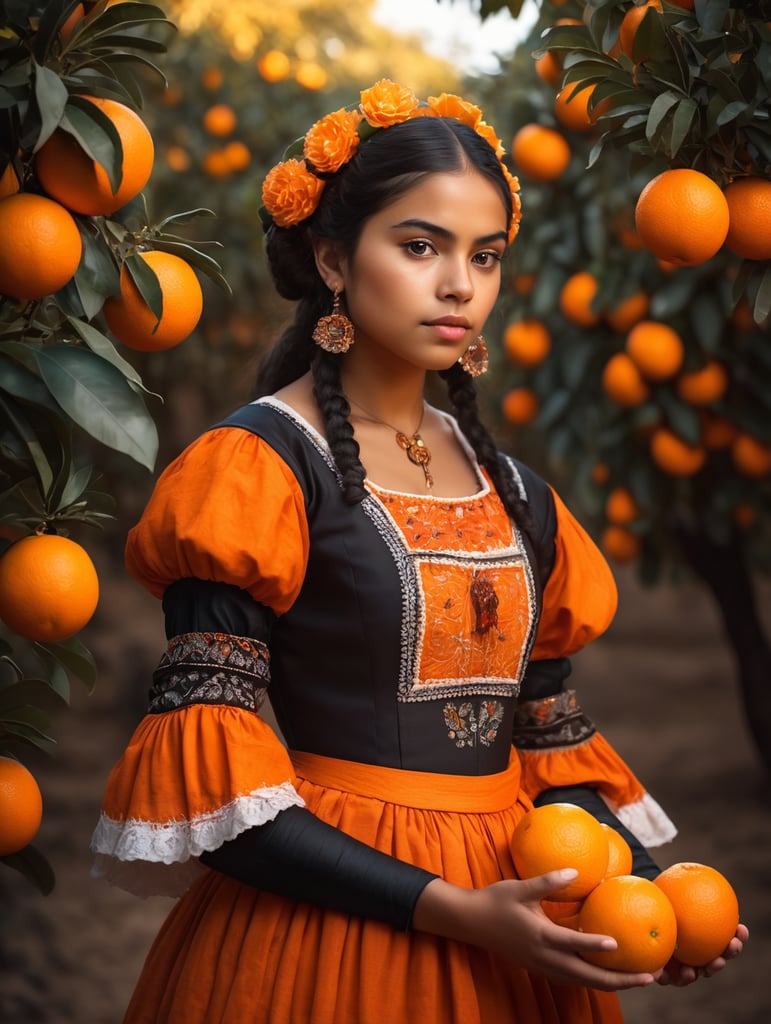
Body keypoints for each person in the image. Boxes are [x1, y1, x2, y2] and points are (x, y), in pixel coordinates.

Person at [91, 79, 747, 1024]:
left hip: (516, 933)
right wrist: (456, 912)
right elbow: (219, 808)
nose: (459, 287)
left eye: (485, 256)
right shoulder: (257, 470)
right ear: (331, 257)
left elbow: (548, 744)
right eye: (419, 246)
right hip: (328, 937)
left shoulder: (515, 493)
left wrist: (645, 892)